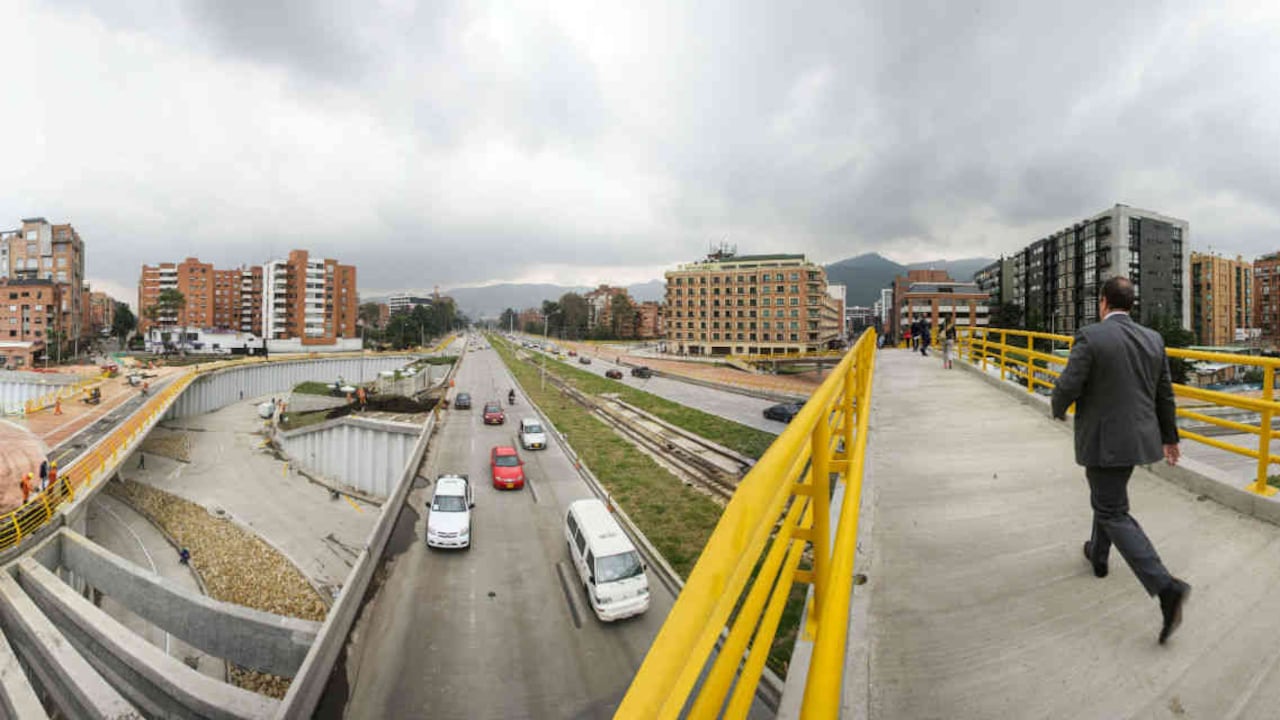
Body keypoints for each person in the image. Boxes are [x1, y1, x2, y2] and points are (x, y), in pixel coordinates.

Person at [1050, 276, 1190, 645]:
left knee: (1112, 509)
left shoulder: (1090, 336)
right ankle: (1098, 556)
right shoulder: (1153, 339)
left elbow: (1069, 383)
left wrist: (1057, 408)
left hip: (1104, 440)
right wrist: (1170, 437)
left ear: (1103, 303)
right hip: (1137, 439)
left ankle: (1166, 587)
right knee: (1107, 498)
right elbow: (1165, 394)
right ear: (1131, 304)